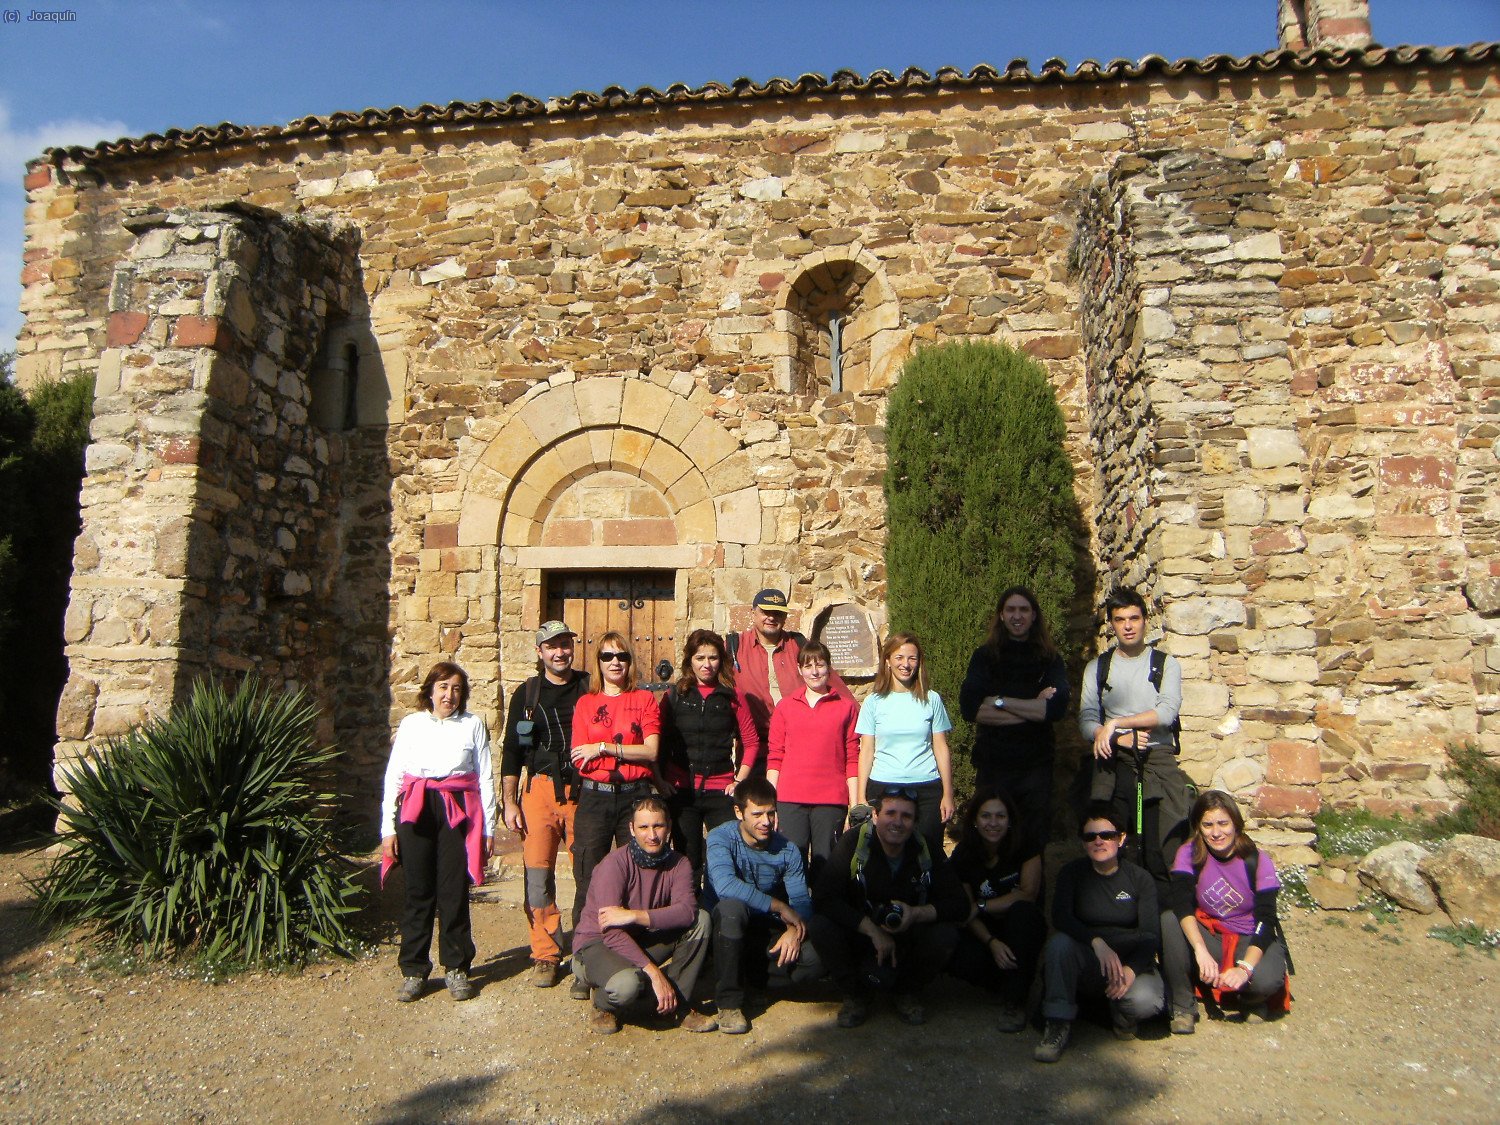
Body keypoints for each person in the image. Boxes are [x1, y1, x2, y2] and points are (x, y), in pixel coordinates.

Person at [1077, 585, 1194, 1021]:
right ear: (1111, 624)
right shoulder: (1098, 667)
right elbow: (1087, 721)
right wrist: (1113, 734)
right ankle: (1115, 972)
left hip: (1158, 762)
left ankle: (1180, 987)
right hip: (1112, 764)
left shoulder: (1165, 664)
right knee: (1110, 855)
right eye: (1119, 620)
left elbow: (1166, 713)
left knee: (1164, 861)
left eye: (1134, 619)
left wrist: (1120, 722)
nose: (1127, 626)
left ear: (1145, 621)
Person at [379, 661, 495, 1003]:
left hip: (457, 810)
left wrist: (487, 828)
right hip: (416, 809)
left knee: (453, 890)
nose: (450, 695)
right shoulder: (412, 725)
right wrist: (388, 828)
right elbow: (394, 776)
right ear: (430, 691)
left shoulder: (473, 725)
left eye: (457, 688)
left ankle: (457, 968)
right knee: (418, 890)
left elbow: (485, 776)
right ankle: (414, 970)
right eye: (443, 687)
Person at [807, 788, 967, 1028]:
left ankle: (906, 992)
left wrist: (915, 914)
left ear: (915, 822)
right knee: (821, 926)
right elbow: (823, 897)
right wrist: (871, 930)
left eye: (906, 816)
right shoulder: (854, 843)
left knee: (945, 934)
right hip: (862, 933)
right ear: (875, 815)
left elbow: (959, 904)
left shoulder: (925, 848)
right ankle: (855, 994)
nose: (897, 822)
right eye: (890, 813)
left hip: (908, 934)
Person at [571, 795, 717, 1034]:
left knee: (701, 920)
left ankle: (675, 1005)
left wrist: (635, 916)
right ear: (631, 829)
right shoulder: (614, 865)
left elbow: (687, 912)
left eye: (658, 826)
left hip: (640, 934)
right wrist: (654, 972)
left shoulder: (679, 864)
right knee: (627, 985)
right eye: (644, 827)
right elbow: (611, 933)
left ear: (668, 827)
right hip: (599, 943)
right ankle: (603, 1002)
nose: (652, 835)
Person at [499, 620, 590, 988]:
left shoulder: (589, 686)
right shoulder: (527, 694)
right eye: (551, 646)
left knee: (590, 874)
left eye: (565, 644)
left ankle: (588, 948)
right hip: (537, 792)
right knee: (537, 877)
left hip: (583, 792)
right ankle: (546, 953)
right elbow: (510, 751)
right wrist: (509, 802)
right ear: (540, 652)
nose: (560, 652)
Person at [1034, 805, 1164, 1063]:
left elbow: (1150, 934)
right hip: (1088, 957)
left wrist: (1131, 970)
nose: (1098, 841)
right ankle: (1057, 1024)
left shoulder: (1140, 879)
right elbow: (1062, 918)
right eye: (1090, 836)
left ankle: (1121, 1015)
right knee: (1059, 945)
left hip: (1126, 960)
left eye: (1107, 835)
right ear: (1082, 842)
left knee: (1147, 1001)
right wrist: (1096, 942)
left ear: (1121, 838)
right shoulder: (1072, 874)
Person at [1162, 790, 1292, 1034]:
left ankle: (1251, 1000)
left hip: (1249, 937)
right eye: (1208, 825)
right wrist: (1200, 949)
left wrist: (1245, 969)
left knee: (1265, 979)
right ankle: (1183, 1007)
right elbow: (1181, 904)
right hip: (1210, 934)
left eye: (1223, 823)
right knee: (1169, 920)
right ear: (1198, 828)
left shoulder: (1257, 860)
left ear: (1236, 824)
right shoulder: (1188, 854)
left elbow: (1266, 920)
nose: (1216, 832)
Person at [703, 777, 822, 1034]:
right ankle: (729, 1003)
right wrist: (779, 906)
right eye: (757, 814)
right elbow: (725, 886)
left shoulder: (787, 850)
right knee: (731, 909)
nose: (766, 822)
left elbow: (801, 900)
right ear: (739, 812)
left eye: (771, 813)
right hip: (725, 930)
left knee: (814, 960)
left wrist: (795, 930)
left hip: (764, 931)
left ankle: (755, 982)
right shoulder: (720, 838)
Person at [958, 586, 1070, 855]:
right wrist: (1033, 709)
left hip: (1035, 768)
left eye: (1024, 610)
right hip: (993, 766)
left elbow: (1054, 710)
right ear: (1001, 615)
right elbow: (970, 709)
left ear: (1034, 616)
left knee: (1032, 843)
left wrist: (999, 701)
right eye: (1011, 609)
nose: (1017, 616)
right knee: (990, 842)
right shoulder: (984, 657)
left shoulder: (1049, 659)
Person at [569, 632, 661, 934]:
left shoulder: (644, 699)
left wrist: (605, 748)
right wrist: (619, 753)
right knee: (588, 875)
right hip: (595, 799)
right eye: (607, 656)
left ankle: (634, 950)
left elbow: (650, 750)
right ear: (598, 662)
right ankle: (585, 953)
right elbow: (580, 758)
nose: (615, 662)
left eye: (621, 656)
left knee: (638, 873)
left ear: (630, 662)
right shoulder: (586, 703)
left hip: (635, 798)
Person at [659, 629, 760, 878]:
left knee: (725, 858)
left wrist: (739, 780)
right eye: (700, 658)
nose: (707, 665)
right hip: (683, 791)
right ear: (689, 661)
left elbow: (751, 741)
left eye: (713, 658)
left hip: (720, 791)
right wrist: (660, 781)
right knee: (687, 859)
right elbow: (657, 742)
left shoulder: (733, 697)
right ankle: (691, 914)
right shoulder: (674, 697)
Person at [945, 787, 1046, 1033]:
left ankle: (1015, 1001)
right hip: (985, 931)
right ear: (975, 821)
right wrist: (991, 942)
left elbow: (1027, 894)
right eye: (986, 816)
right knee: (951, 943)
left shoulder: (1026, 845)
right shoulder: (964, 853)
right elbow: (966, 911)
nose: (993, 823)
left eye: (1000, 816)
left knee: (1023, 914)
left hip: (1019, 926)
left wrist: (982, 905)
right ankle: (997, 983)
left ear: (1010, 820)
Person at [856, 632, 956, 857]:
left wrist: (948, 792)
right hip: (883, 787)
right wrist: (861, 797)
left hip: (927, 789)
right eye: (899, 657)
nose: (906, 664)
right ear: (888, 661)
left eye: (912, 658)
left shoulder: (932, 699)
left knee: (928, 854)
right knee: (883, 854)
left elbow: (940, 746)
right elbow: (867, 750)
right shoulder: (873, 702)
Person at [765, 641, 860, 872]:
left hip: (831, 800)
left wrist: (856, 803)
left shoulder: (847, 707)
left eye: (820, 665)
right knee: (791, 862)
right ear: (799, 670)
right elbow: (775, 756)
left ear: (829, 667)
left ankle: (823, 908)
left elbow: (852, 759)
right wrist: (770, 802)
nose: (814, 672)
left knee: (826, 864)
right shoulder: (785, 707)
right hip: (790, 799)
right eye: (808, 666)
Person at [730, 587, 847, 767]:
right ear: (753, 613)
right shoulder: (734, 648)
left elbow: (838, 691)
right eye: (766, 611)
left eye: (777, 613)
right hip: (756, 751)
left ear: (785, 617)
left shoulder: (800, 646)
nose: (771, 617)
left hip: (800, 747)